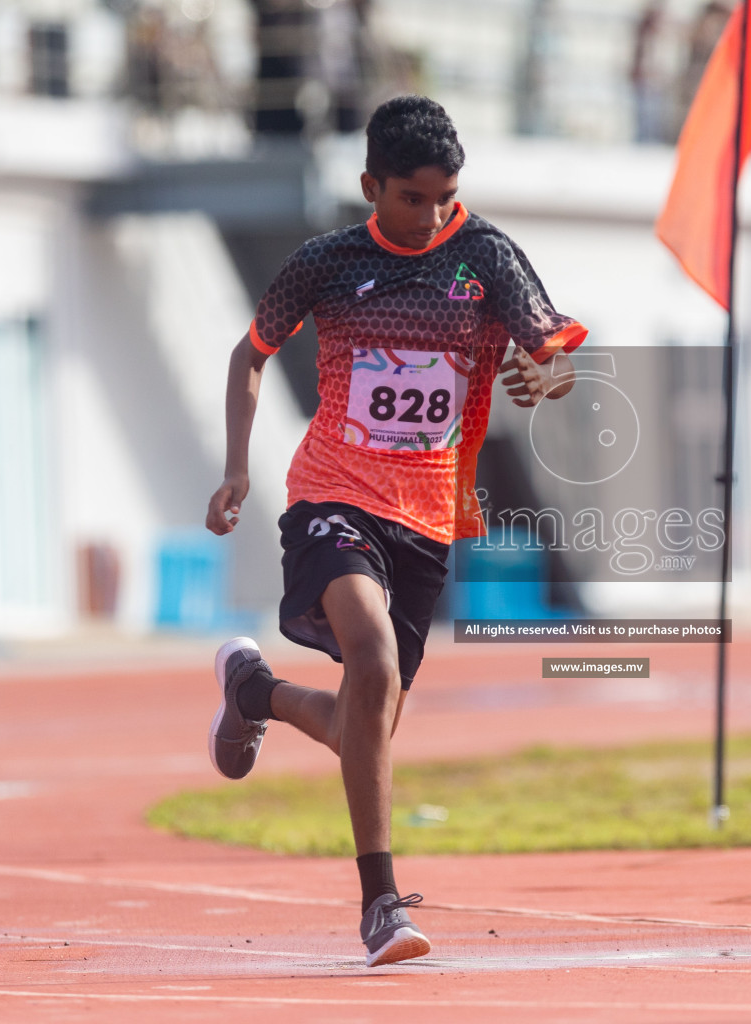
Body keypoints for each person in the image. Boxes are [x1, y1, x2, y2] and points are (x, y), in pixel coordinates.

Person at [203, 95, 584, 968]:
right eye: (414, 198)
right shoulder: (326, 264)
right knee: (372, 661)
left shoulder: (484, 253)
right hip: (333, 494)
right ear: (371, 185)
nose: (434, 215)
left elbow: (551, 355)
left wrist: (544, 377)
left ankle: (254, 692)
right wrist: (236, 466)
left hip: (426, 517)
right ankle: (381, 903)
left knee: (358, 725)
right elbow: (250, 354)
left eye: (447, 196)